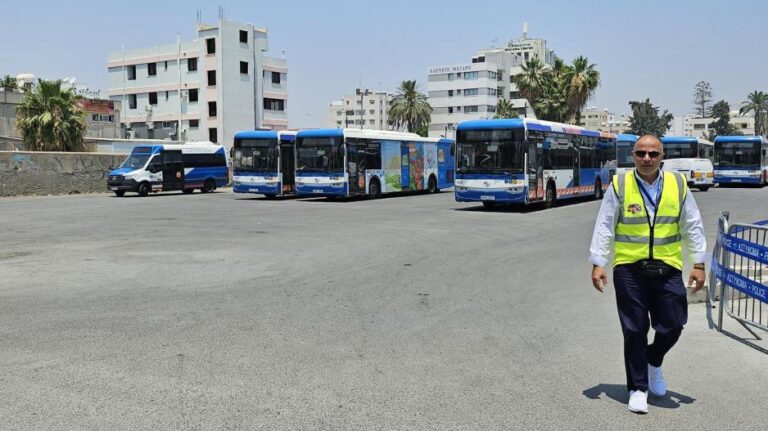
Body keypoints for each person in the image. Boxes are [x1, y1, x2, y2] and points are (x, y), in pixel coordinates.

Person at [589, 134, 706, 414]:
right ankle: (638, 388)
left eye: (653, 154)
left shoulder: (678, 184)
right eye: (641, 153)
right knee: (634, 330)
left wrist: (699, 263)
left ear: (662, 156)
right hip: (630, 269)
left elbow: (692, 223)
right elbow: (605, 224)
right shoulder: (620, 184)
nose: (646, 159)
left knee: (674, 323)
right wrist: (598, 262)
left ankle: (654, 360)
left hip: (668, 268)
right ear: (633, 155)